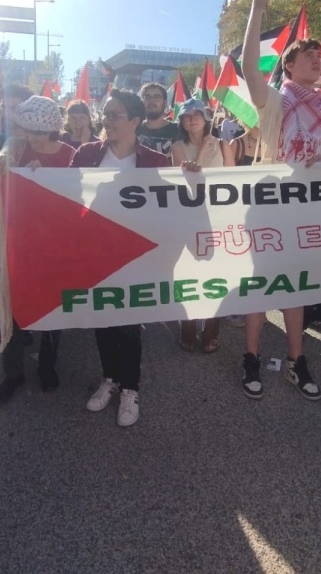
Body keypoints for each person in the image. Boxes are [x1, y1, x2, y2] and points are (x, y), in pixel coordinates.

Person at [239, 0, 321, 402]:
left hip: (307, 208)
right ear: (288, 65)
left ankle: (297, 360)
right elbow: (248, 67)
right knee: (261, 286)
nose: (317, 61)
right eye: (309, 57)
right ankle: (250, 356)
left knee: (296, 287)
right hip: (268, 205)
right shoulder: (275, 101)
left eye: (320, 58)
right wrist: (257, 6)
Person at [70, 89, 169, 427]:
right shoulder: (86, 153)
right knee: (102, 317)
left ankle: (130, 388)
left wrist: (190, 175)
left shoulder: (156, 161)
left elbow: (172, 205)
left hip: (134, 255)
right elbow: (62, 192)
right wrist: (38, 172)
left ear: (135, 121)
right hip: (94, 251)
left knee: (127, 322)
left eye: (114, 115)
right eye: (105, 114)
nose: (106, 120)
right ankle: (109, 379)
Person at [0, 96, 74, 403]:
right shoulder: (18, 144)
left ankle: (47, 365)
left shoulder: (69, 154)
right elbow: (0, 156)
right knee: (12, 310)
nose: (32, 136)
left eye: (39, 131)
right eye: (28, 129)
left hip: (55, 244)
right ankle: (12, 373)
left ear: (53, 128)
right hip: (17, 240)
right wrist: (5, 161)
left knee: (53, 306)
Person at [171, 98, 224, 353]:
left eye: (197, 114)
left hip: (218, 219)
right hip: (188, 219)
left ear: (205, 117)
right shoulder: (178, 147)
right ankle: (188, 326)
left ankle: (212, 329)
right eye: (187, 115)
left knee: (217, 274)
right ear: (181, 121)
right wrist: (202, 150)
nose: (192, 118)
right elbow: (187, 180)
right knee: (189, 274)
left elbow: (235, 182)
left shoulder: (224, 145)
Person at [134, 82, 180, 157]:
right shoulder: (133, 129)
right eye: (147, 97)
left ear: (165, 103)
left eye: (156, 97)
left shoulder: (178, 130)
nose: (151, 101)